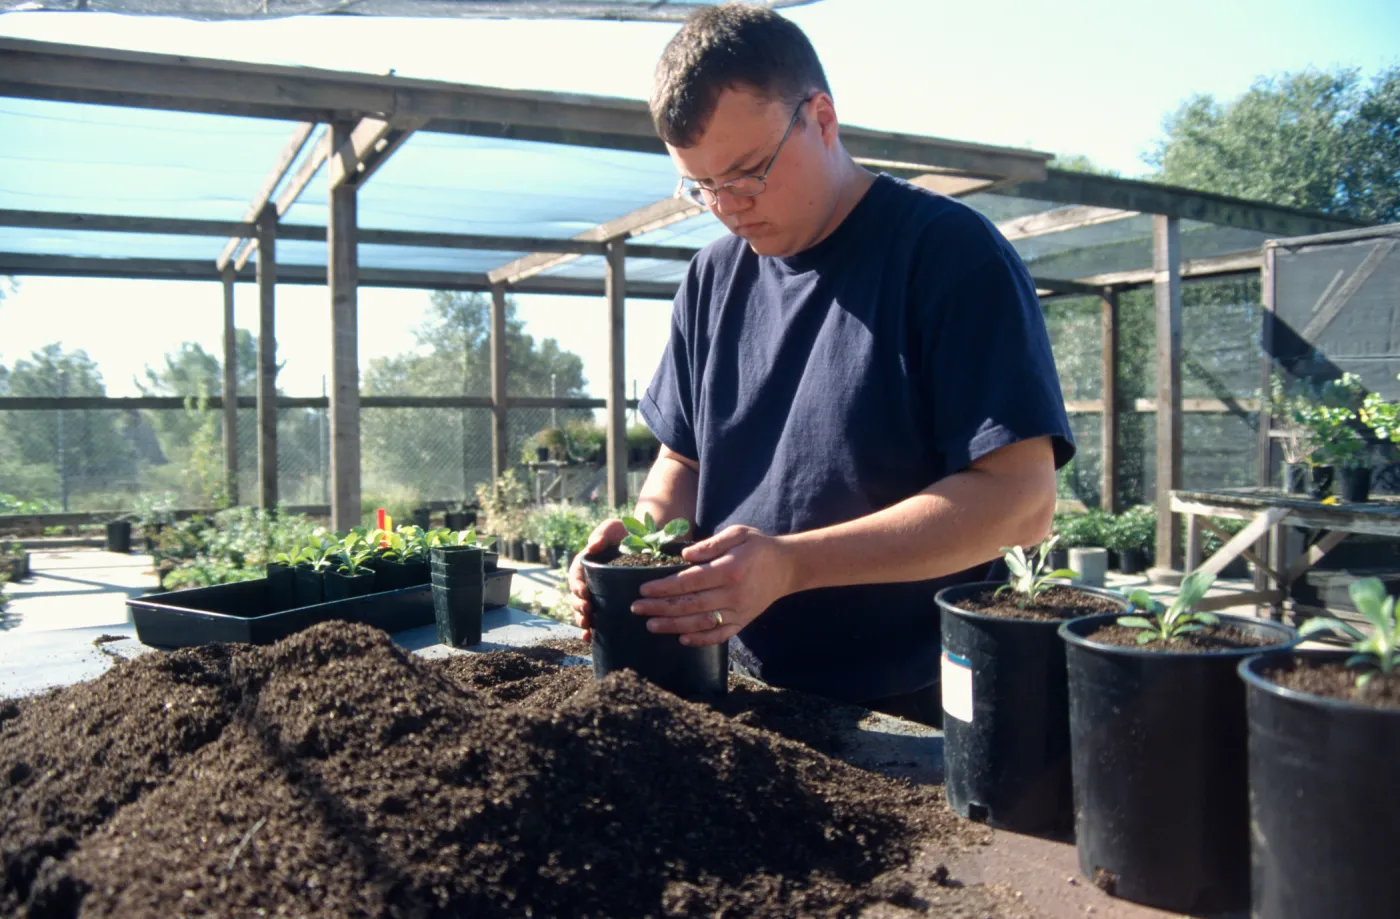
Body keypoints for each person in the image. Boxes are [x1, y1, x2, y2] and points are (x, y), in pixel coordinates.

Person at [567, 3, 1073, 726]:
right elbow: (683, 463)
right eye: (701, 186)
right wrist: (637, 548)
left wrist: (792, 563)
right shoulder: (712, 278)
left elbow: (1022, 501)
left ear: (823, 119)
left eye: (748, 173)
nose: (728, 207)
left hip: (917, 701)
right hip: (739, 684)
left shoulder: (948, 255)